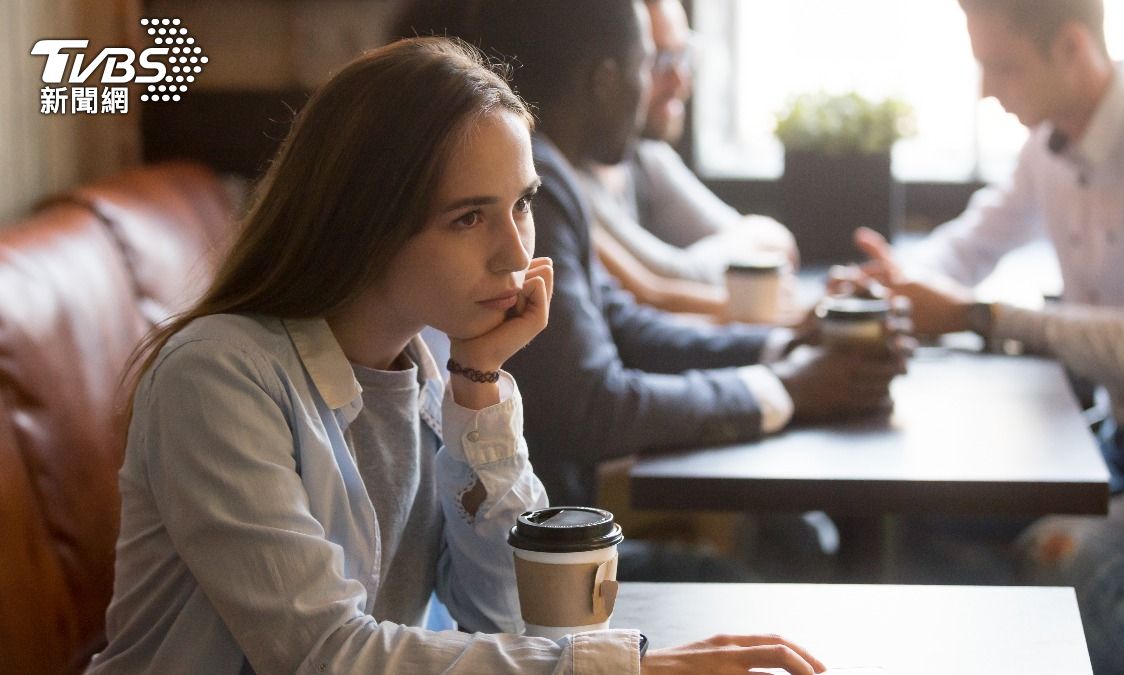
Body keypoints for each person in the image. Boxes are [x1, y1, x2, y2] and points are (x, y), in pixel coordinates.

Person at [85, 37, 828, 674]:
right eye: (470, 216)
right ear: (365, 223)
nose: (514, 252)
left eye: (522, 205)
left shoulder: (431, 363)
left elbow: (500, 612)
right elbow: (323, 656)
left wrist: (479, 387)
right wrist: (615, 663)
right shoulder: (217, 375)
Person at [395, 0, 906, 511]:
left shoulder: (549, 179)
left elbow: (627, 325)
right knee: (789, 544)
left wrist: (784, 344)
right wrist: (785, 388)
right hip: (551, 527)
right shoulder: (530, 188)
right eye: (646, 65)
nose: (655, 89)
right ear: (605, 80)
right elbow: (593, 406)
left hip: (553, 521)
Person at [844, 1, 1124, 673]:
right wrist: (891, 283)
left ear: (1071, 47)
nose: (984, 89)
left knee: (1061, 562)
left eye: (1000, 66)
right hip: (1115, 450)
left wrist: (984, 315)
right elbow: (971, 247)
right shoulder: (1050, 145)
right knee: (927, 517)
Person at [577, 0, 802, 319]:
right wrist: (750, 287)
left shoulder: (645, 157)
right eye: (659, 60)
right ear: (605, 75)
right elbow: (662, 286)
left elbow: (777, 244)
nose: (682, 81)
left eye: (684, 55)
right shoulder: (556, 181)